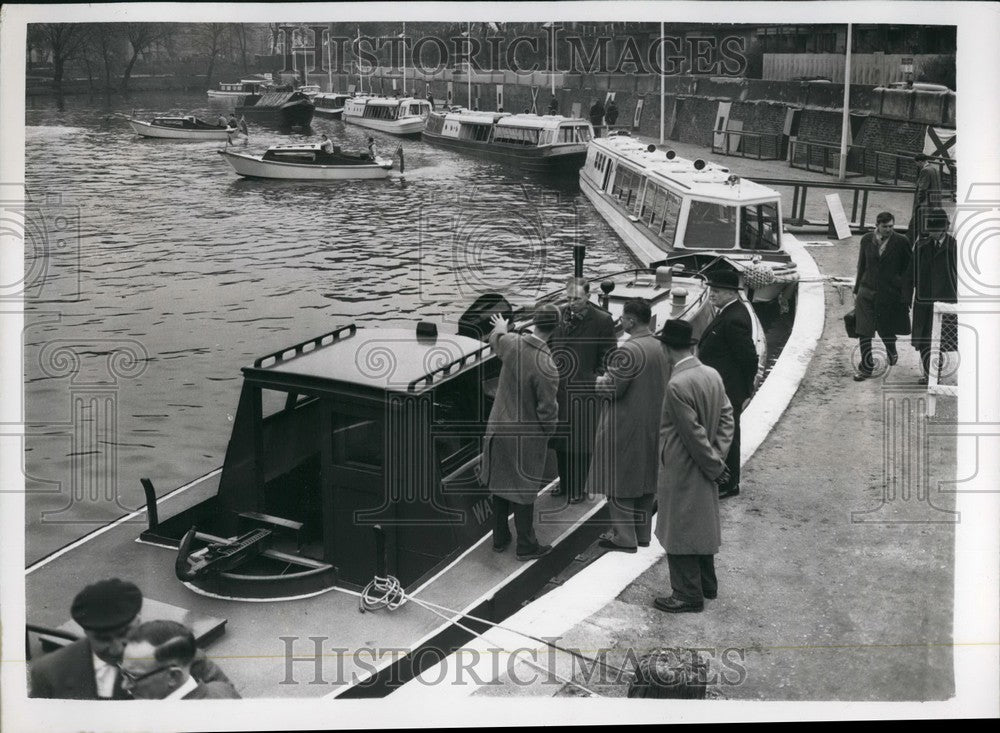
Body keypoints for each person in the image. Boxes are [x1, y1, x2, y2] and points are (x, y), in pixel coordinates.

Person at [29, 578, 235, 699]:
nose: (118, 648)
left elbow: (228, 698)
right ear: (85, 632)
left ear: (137, 621)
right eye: (103, 638)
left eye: (123, 633)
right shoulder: (48, 673)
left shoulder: (181, 654)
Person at [653, 320, 734, 614]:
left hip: (683, 466)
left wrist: (712, 464)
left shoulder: (677, 385)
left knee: (680, 528)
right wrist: (719, 455)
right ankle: (707, 585)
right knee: (701, 524)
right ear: (691, 345)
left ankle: (687, 594)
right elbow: (727, 416)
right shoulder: (711, 374)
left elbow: (691, 434)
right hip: (705, 463)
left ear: (665, 348)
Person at [480, 304, 561, 561]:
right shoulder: (547, 365)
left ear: (534, 322)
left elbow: (496, 339)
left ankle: (500, 538)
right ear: (555, 328)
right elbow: (547, 411)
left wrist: (500, 328)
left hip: (498, 427)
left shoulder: (512, 344)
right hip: (525, 437)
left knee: (500, 484)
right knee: (524, 489)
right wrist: (547, 435)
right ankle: (526, 545)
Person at [587, 298, 669, 552]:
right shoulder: (660, 346)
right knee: (645, 483)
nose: (620, 321)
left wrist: (598, 380)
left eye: (622, 318)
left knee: (619, 481)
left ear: (632, 320)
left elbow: (613, 389)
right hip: (652, 424)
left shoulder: (628, 350)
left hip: (625, 426)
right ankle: (642, 534)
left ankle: (624, 537)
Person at [548, 277, 616, 504]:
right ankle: (564, 482)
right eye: (568, 298)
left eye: (576, 298)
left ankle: (581, 487)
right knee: (560, 440)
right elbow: (550, 346)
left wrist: (594, 379)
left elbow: (608, 356)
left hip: (585, 391)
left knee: (582, 442)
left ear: (588, 296)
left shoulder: (602, 321)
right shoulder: (559, 315)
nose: (571, 303)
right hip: (560, 388)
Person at [697, 270, 759, 497]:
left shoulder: (733, 319)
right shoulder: (730, 311)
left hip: (728, 389)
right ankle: (726, 479)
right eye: (711, 290)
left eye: (717, 291)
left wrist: (745, 391)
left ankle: (730, 483)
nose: (711, 294)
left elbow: (749, 358)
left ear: (732, 292)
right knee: (725, 433)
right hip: (724, 387)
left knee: (728, 436)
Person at [852, 211, 912, 381]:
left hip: (889, 294)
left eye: (891, 226)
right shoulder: (866, 240)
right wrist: (857, 289)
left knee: (886, 329)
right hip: (866, 291)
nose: (888, 230)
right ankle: (866, 367)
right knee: (863, 330)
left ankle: (891, 350)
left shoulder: (901, 242)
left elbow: (909, 270)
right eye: (885, 226)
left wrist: (905, 294)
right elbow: (861, 265)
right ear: (877, 225)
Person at [120, 621, 240, 700]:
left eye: (133, 676)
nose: (124, 685)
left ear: (173, 676)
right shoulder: (222, 688)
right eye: (123, 672)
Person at [907, 207, 958, 384]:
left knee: (940, 340)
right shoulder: (921, 246)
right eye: (930, 229)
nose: (931, 233)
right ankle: (930, 374)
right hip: (923, 302)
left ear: (943, 228)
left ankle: (934, 373)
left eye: (935, 230)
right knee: (923, 339)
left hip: (945, 301)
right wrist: (906, 297)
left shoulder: (954, 247)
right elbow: (910, 273)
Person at [907, 154, 944, 244]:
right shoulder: (934, 169)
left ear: (920, 161)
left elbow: (922, 188)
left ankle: (906, 250)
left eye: (917, 163)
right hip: (934, 204)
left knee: (913, 228)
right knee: (924, 229)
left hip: (923, 206)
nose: (917, 166)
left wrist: (919, 202)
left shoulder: (925, 171)